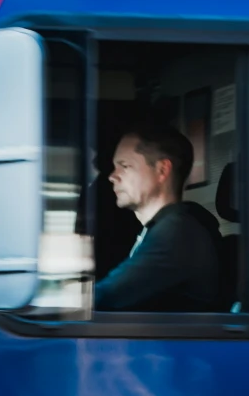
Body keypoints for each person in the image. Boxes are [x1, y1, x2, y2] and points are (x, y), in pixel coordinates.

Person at [93, 120, 228, 312]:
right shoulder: (163, 227)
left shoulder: (178, 233)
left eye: (125, 165)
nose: (112, 176)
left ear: (162, 170)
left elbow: (106, 296)